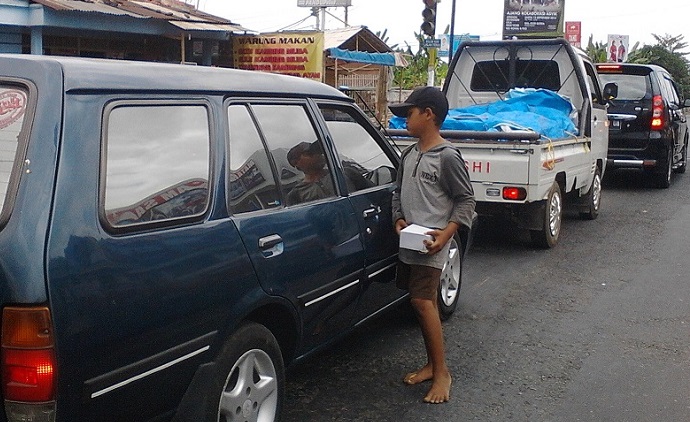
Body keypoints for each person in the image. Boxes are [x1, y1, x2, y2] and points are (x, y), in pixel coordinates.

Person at [389, 86, 476, 404]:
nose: (405, 120)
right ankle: (431, 364)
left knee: (423, 303)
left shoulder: (447, 156)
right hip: (409, 242)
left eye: (409, 114)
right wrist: (398, 218)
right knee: (422, 304)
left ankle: (442, 374)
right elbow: (397, 191)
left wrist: (448, 232)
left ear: (429, 114)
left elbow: (466, 200)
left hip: (431, 245)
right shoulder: (409, 154)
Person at [286, 141, 335, 205]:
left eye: (318, 151)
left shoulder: (343, 174)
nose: (318, 154)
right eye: (310, 153)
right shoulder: (296, 194)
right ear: (296, 163)